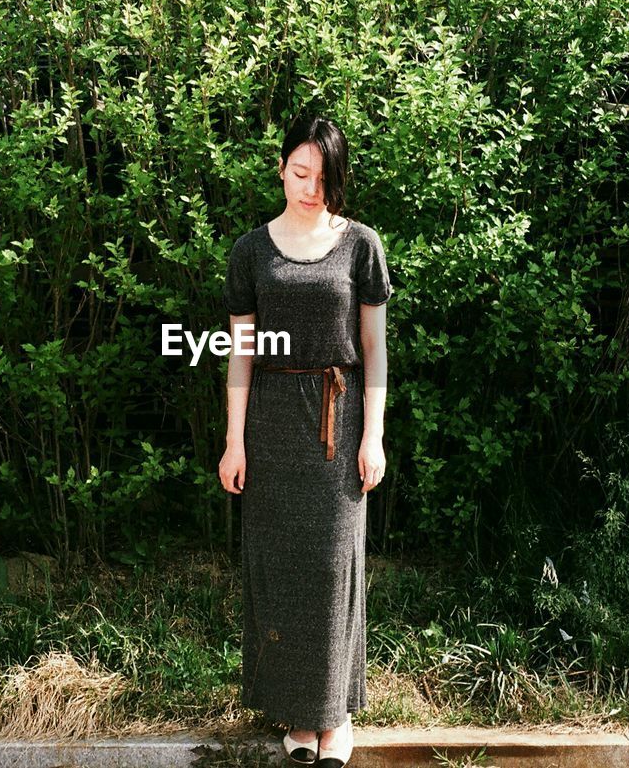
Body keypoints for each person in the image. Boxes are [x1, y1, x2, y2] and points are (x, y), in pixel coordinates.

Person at [219, 114, 391, 767]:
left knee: (332, 564)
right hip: (270, 422)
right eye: (299, 172)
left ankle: (335, 716)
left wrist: (372, 435)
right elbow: (239, 352)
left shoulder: (361, 245)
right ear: (281, 167)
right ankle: (296, 713)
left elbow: (373, 349)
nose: (309, 187)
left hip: (338, 421)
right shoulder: (250, 251)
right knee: (282, 563)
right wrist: (234, 441)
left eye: (322, 177)